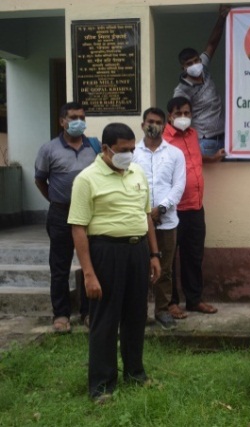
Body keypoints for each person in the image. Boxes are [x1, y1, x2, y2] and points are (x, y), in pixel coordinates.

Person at [68, 123, 162, 403]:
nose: (129, 155)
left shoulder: (137, 172)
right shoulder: (86, 179)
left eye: (132, 149)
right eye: (123, 150)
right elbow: (78, 228)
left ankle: (135, 373)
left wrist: (154, 254)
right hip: (106, 252)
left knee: (136, 315)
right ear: (106, 149)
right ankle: (102, 385)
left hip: (138, 251)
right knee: (105, 319)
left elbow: (146, 216)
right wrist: (88, 273)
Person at [34, 102, 97, 333]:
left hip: (89, 214)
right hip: (61, 213)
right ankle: (61, 314)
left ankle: (89, 312)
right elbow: (40, 180)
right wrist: (56, 200)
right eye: (73, 117)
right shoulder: (48, 149)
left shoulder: (94, 146)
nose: (78, 121)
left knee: (91, 263)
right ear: (62, 121)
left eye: (82, 117)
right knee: (60, 266)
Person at [163, 96, 221, 317]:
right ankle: (170, 303)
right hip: (173, 209)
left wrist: (211, 158)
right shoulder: (163, 140)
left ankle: (194, 300)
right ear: (170, 116)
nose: (183, 117)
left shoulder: (193, 134)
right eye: (178, 113)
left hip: (195, 207)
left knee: (194, 256)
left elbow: (193, 158)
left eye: (187, 113)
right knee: (169, 258)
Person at [132, 108, 186, 330]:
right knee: (139, 269)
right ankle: (139, 312)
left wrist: (161, 208)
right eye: (149, 121)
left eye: (157, 122)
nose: (153, 125)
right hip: (138, 221)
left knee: (165, 269)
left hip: (167, 221)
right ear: (142, 124)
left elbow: (178, 186)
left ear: (164, 126)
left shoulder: (175, 154)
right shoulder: (132, 153)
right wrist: (144, 212)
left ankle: (162, 311)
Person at [173, 5, 229, 158]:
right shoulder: (181, 91)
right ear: (183, 68)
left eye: (196, 60)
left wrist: (222, 18)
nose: (195, 65)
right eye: (189, 63)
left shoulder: (203, 67)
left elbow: (212, 44)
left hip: (225, 136)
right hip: (205, 141)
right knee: (207, 172)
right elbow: (178, 118)